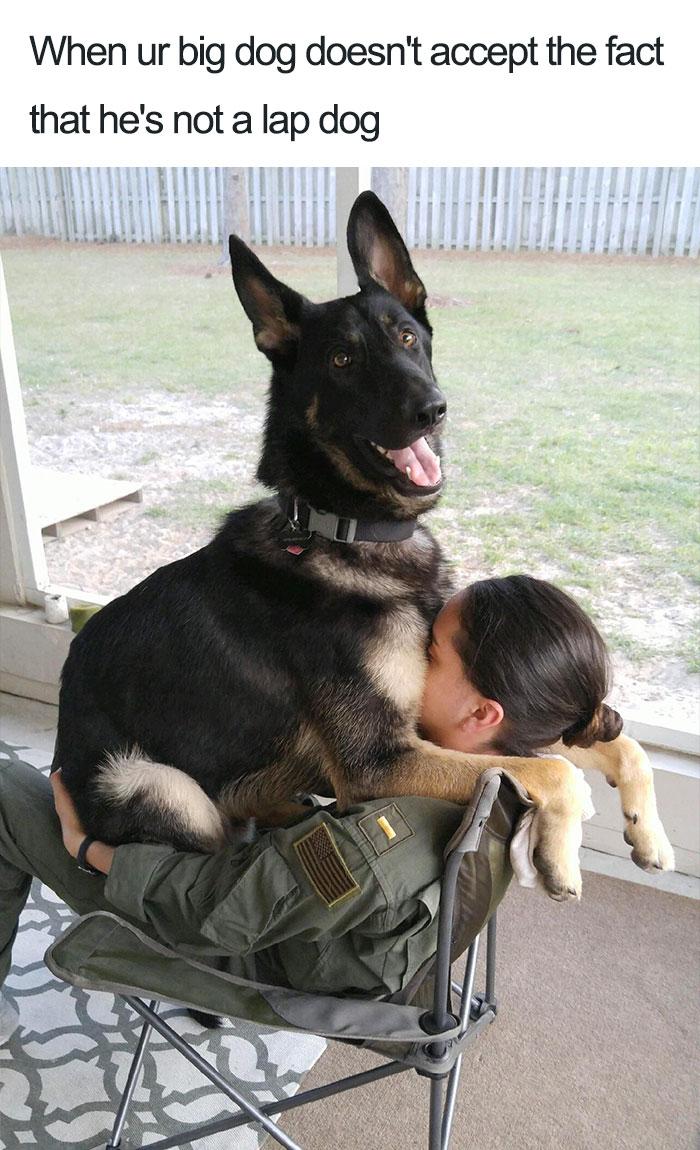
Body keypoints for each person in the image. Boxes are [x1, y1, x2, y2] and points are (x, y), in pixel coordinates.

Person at [0, 575, 622, 1041]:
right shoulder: (517, 769)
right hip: (320, 911)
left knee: (3, 790)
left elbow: (218, 908)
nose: (405, 645)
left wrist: (90, 849)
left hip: (256, 953)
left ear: (482, 713)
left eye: (429, 649)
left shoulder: (390, 831)